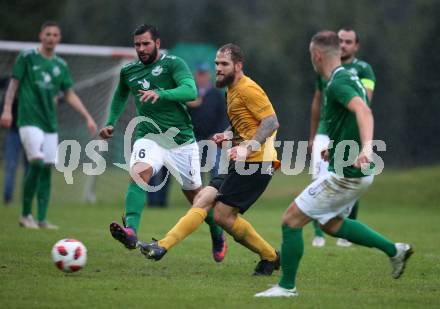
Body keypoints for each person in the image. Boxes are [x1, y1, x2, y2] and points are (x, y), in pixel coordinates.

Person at [255, 31, 412, 298]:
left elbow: (364, 111)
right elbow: (350, 117)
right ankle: (395, 250)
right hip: (351, 168)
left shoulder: (338, 83)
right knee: (331, 223)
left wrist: (365, 148)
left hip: (349, 173)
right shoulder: (346, 77)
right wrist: (336, 147)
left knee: (290, 220)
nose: (311, 60)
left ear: (317, 55)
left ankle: (286, 287)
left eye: (310, 56)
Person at [139, 43, 281, 276]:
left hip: (257, 163)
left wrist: (248, 147)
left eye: (224, 64)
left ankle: (269, 256)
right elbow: (245, 122)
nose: (219, 68)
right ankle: (161, 246)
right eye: (217, 64)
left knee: (222, 216)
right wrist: (227, 134)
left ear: (238, 66)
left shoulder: (248, 89)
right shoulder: (232, 90)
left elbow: (270, 122)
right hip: (242, 163)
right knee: (203, 198)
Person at [99, 24, 226, 262]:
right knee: (139, 173)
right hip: (149, 135)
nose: (141, 48)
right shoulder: (129, 71)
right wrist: (110, 122)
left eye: (146, 43)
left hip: (181, 141)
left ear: (157, 43)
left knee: (197, 198)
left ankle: (217, 233)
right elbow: (120, 95)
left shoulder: (173, 64)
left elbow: (190, 91)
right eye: (137, 44)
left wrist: (162, 93)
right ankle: (131, 231)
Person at [0, 21, 97, 229]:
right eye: (48, 34)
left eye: (55, 34)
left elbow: (69, 94)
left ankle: (42, 219)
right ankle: (26, 215)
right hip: (28, 120)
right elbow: (14, 84)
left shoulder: (60, 66)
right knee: (36, 161)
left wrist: (87, 117)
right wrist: (7, 110)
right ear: (40, 36)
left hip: (49, 125)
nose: (51, 37)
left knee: (46, 167)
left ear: (59, 38)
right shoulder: (27, 57)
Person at [309, 27, 376, 247]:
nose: (344, 45)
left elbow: (363, 104)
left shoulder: (360, 71)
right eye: (341, 41)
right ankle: (319, 232)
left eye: (349, 41)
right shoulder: (325, 72)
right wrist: (313, 136)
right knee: (320, 177)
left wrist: (364, 147)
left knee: (350, 177)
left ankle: (345, 225)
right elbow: (318, 102)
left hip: (349, 130)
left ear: (356, 46)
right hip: (326, 131)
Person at [187, 62, 229, 179]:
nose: (202, 77)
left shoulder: (217, 95)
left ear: (209, 75)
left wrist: (217, 134)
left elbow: (223, 117)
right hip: (195, 138)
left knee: (216, 169)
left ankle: (214, 195)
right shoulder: (190, 94)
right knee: (195, 171)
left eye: (204, 74)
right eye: (200, 74)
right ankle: (198, 196)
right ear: (196, 76)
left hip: (214, 138)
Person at [1, 77, 28, 206]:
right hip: (14, 133)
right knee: (11, 166)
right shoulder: (9, 89)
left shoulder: (32, 87)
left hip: (30, 133)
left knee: (30, 167)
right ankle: (7, 199)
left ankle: (26, 199)